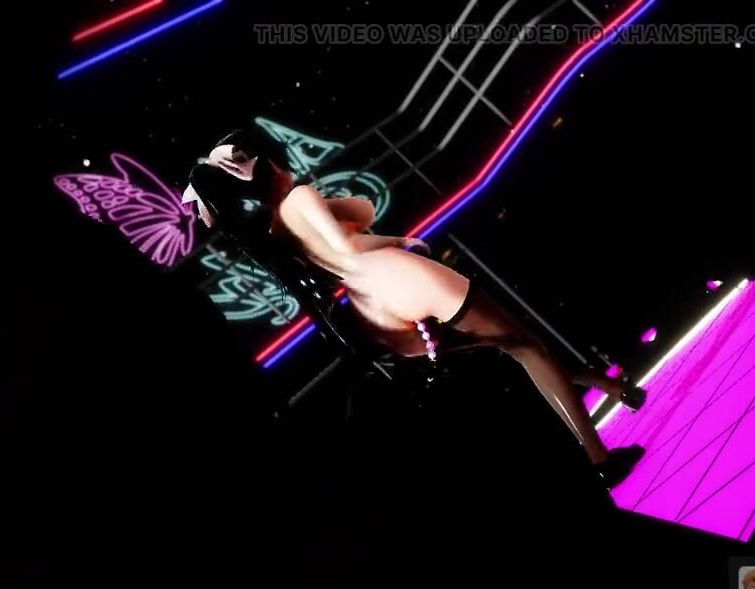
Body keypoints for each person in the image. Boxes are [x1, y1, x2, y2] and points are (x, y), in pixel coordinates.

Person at [183, 130, 646, 485]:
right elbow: (350, 243)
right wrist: (398, 241)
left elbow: (358, 217)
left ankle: (608, 386)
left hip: (374, 306)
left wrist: (355, 222)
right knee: (527, 346)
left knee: (511, 345)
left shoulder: (276, 229)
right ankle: (599, 458)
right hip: (401, 277)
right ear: (271, 163)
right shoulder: (300, 199)